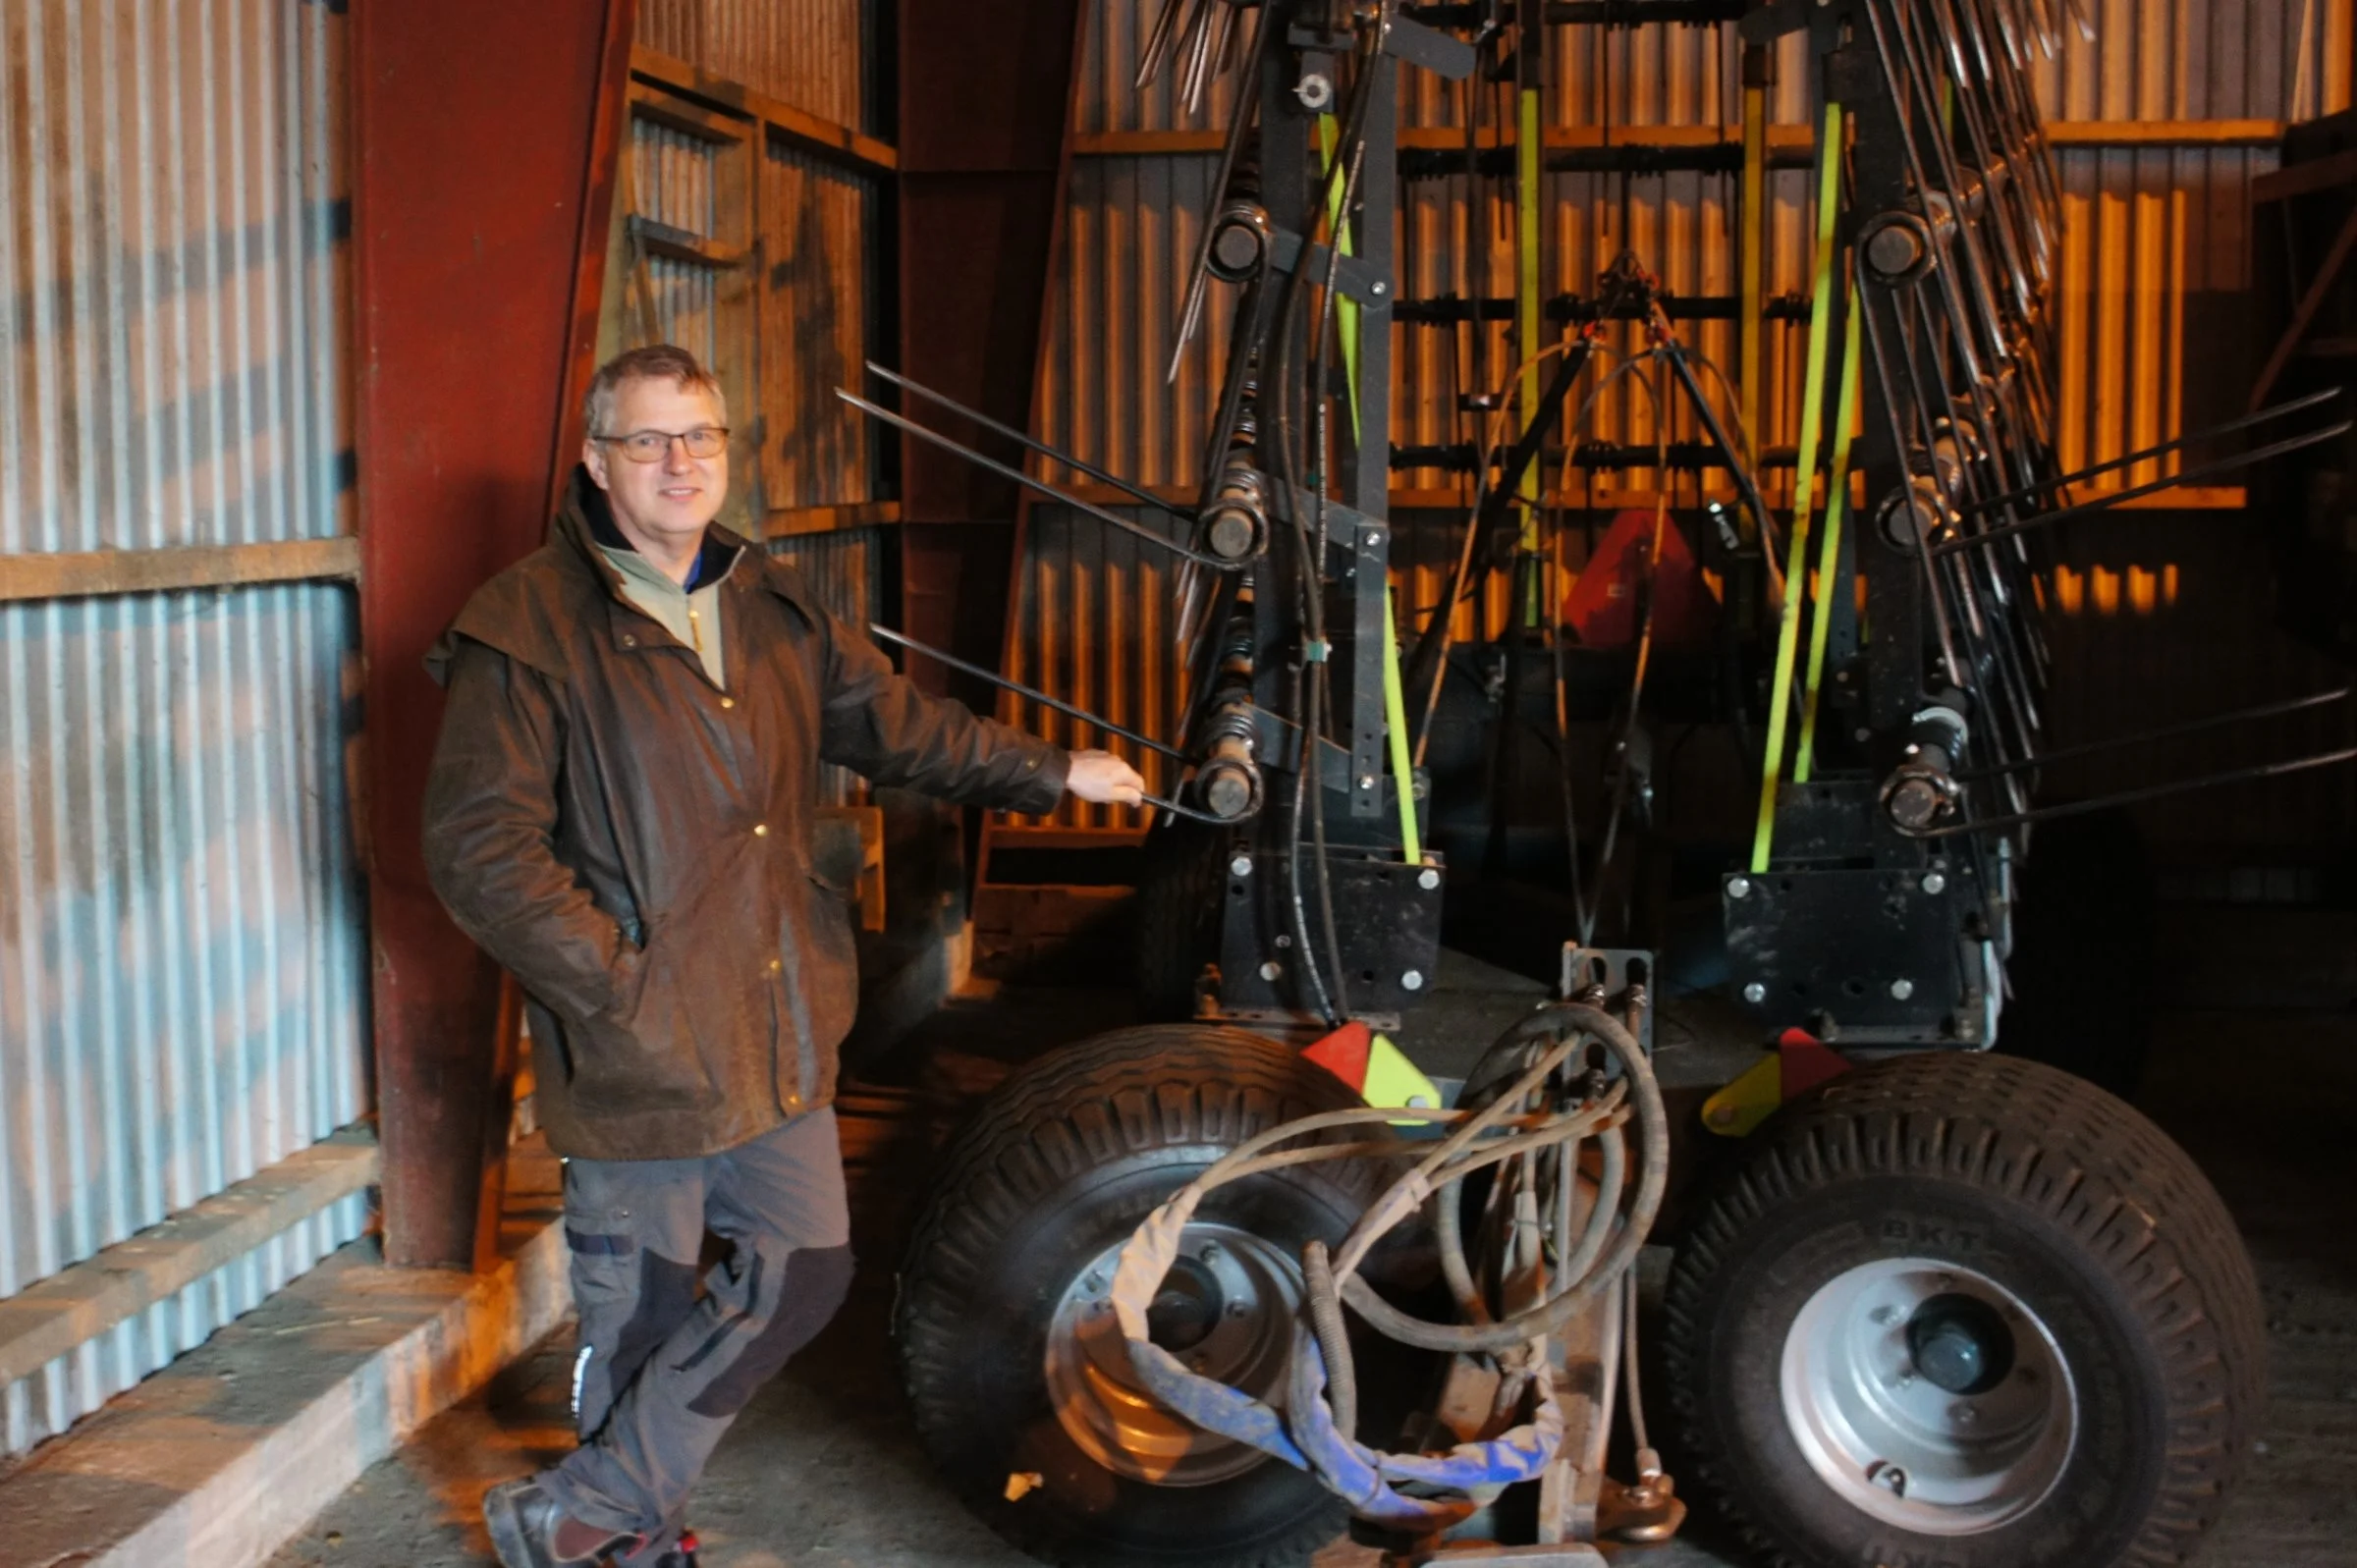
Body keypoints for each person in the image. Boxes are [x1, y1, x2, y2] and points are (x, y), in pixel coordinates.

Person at [420, 344, 1145, 1568]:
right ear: (598, 462)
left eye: (699, 436)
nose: (679, 462)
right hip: (641, 1047)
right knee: (640, 1316)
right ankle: (620, 1543)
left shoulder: (773, 606)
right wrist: (618, 983)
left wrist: (1051, 769)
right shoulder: (526, 628)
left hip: (775, 1020)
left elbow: (901, 727)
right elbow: (479, 851)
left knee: (805, 1272)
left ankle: (580, 1509)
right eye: (647, 441)